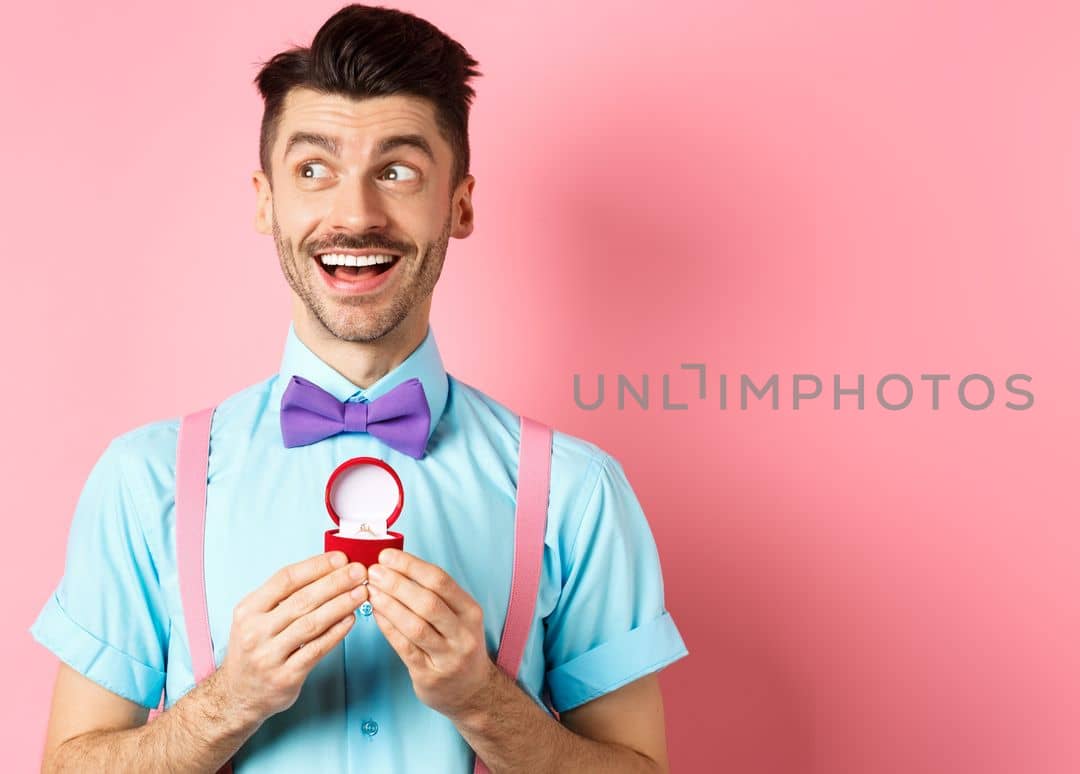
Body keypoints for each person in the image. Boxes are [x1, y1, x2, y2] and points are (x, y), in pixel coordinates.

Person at [29, 5, 687, 772]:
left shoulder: (578, 491)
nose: (355, 213)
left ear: (460, 204)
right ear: (266, 199)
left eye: (397, 171)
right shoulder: (145, 481)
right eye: (314, 170)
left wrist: (483, 700)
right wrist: (229, 701)